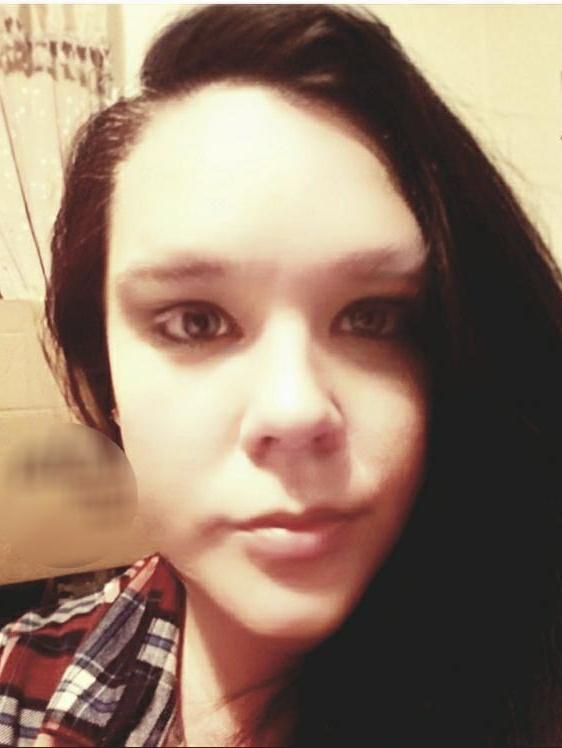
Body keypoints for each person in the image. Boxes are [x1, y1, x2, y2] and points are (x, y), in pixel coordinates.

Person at [1, 5, 561, 747]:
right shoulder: (22, 684)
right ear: (106, 379)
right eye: (195, 322)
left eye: (374, 317)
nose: (294, 410)